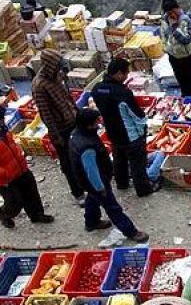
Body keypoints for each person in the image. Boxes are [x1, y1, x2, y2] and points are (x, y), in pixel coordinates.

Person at [69, 108, 148, 242]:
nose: (99, 124)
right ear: (89, 124)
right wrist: (100, 187)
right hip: (96, 181)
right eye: (96, 122)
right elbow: (91, 171)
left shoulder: (76, 135)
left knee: (92, 198)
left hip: (86, 181)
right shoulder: (87, 147)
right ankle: (131, 232)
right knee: (112, 207)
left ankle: (91, 222)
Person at [91, 57, 156, 197]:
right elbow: (137, 115)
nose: (126, 77)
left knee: (119, 159)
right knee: (137, 164)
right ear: (119, 73)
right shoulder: (122, 92)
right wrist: (142, 131)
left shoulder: (97, 89)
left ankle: (122, 183)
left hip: (112, 133)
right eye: (126, 74)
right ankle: (143, 189)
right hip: (130, 135)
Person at [31, 48, 85, 205]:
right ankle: (78, 193)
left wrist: (76, 111)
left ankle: (84, 183)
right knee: (68, 162)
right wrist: (56, 135)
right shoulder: (39, 86)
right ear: (50, 65)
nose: (60, 69)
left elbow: (67, 96)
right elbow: (46, 114)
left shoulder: (56, 76)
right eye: (58, 66)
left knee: (79, 155)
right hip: (61, 129)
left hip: (72, 121)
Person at [0, 105, 54, 228]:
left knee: (31, 192)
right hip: (5, 178)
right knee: (15, 202)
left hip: (20, 168)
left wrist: (21, 158)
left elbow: (12, 145)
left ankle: (37, 215)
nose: (3, 120)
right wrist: (4, 175)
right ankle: (4, 214)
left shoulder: (3, 129)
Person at [160, 0, 191, 97]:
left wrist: (175, 27)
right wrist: (167, 49)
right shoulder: (164, 21)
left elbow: (186, 39)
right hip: (174, 57)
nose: (170, 14)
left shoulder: (185, 20)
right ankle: (187, 103)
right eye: (168, 12)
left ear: (177, 8)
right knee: (183, 82)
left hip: (188, 57)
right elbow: (164, 37)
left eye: (172, 11)